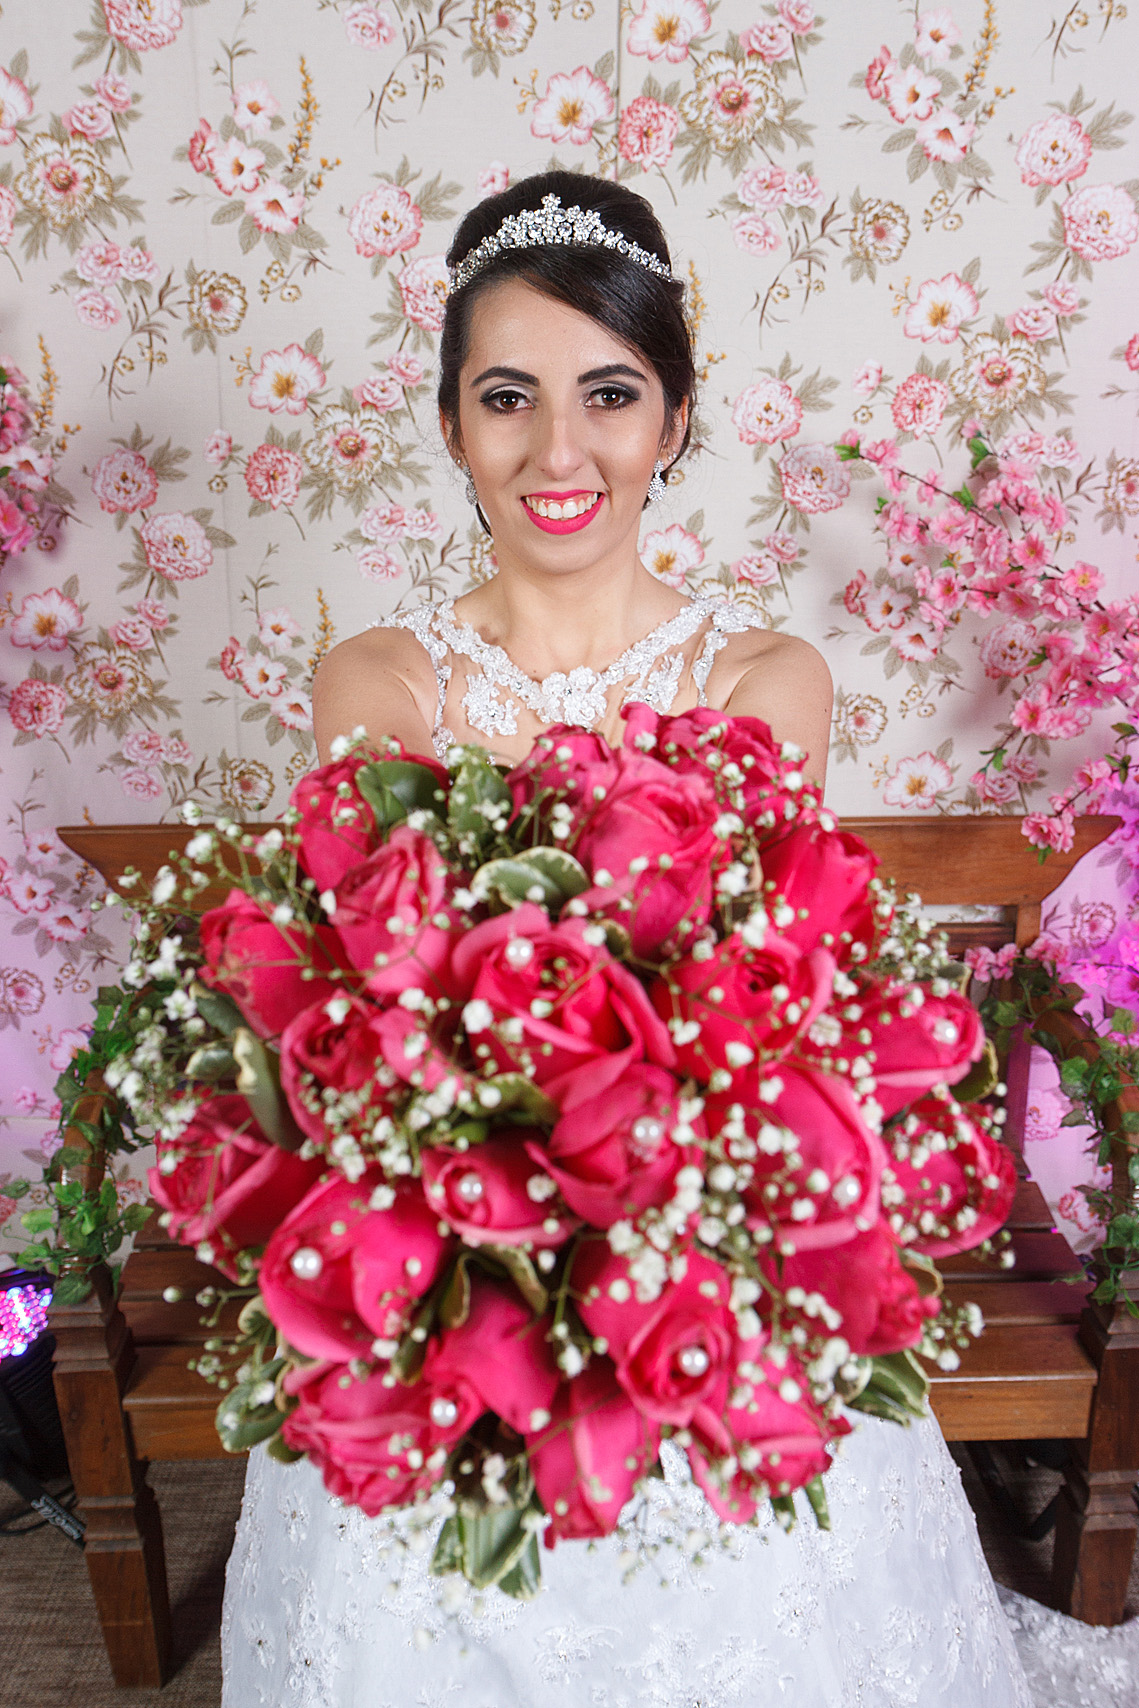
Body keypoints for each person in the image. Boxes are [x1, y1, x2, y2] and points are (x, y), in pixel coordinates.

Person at [220, 171, 1033, 1707]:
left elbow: (740, 983)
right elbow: (392, 993)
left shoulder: (767, 676)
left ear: (673, 419)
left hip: (696, 1223)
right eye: (507, 396)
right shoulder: (378, 681)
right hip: (454, 1224)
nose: (558, 448)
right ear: (454, 426)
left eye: (609, 392)